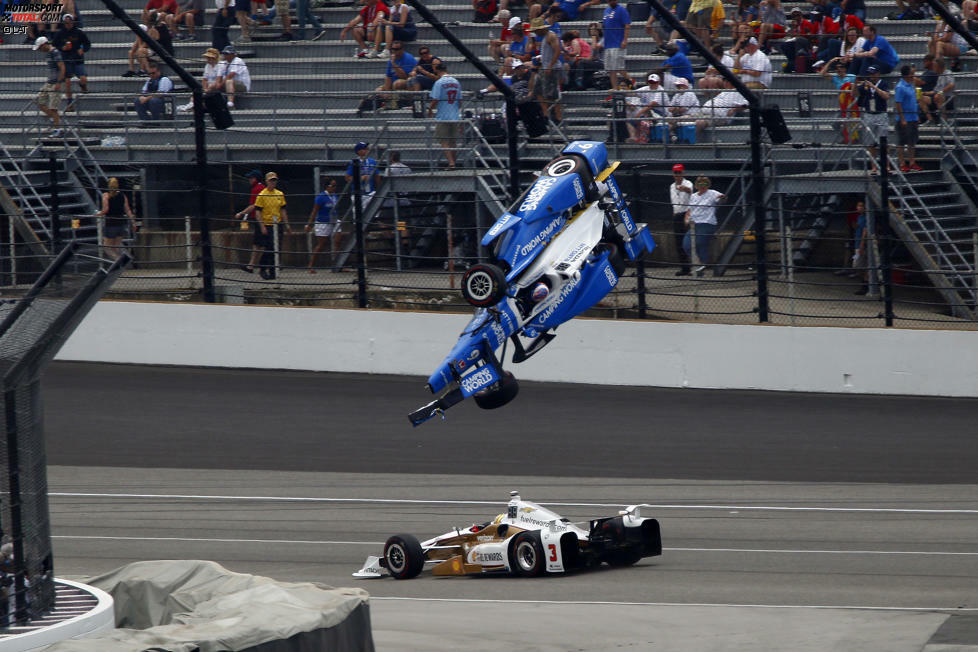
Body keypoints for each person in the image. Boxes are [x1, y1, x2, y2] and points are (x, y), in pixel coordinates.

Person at [251, 172, 291, 280]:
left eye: (274, 180)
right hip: (267, 224)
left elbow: (283, 210)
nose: (273, 182)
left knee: (276, 248)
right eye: (271, 180)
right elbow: (258, 211)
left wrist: (287, 225)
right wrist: (262, 226)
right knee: (269, 247)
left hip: (277, 224)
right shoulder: (262, 195)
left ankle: (272, 270)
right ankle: (263, 267)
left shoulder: (279, 194)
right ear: (266, 181)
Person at [852, 64, 890, 174]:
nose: (871, 76)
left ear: (878, 74)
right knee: (870, 143)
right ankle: (874, 166)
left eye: (873, 74)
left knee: (883, 142)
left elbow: (886, 96)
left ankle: (886, 166)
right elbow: (854, 94)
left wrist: (874, 87)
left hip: (881, 114)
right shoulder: (865, 85)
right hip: (869, 114)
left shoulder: (883, 84)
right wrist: (855, 83)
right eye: (870, 74)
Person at [684, 175, 725, 275]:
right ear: (697, 185)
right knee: (686, 245)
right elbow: (689, 210)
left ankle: (702, 264)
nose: (702, 186)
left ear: (708, 185)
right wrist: (686, 219)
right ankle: (698, 264)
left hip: (707, 222)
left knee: (700, 242)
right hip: (694, 224)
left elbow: (721, 199)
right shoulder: (693, 196)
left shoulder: (712, 193)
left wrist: (722, 198)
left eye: (705, 184)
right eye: (700, 184)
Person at [52, 14, 90, 112]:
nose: (68, 24)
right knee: (67, 82)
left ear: (73, 22)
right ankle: (70, 104)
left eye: (69, 22)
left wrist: (83, 49)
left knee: (83, 78)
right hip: (66, 60)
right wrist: (62, 48)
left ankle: (83, 85)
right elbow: (54, 45)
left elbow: (87, 43)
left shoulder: (79, 33)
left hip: (78, 60)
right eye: (66, 23)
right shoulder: (60, 34)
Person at [95, 177, 138, 261]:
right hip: (121, 222)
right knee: (116, 247)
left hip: (111, 223)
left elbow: (105, 209)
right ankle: (118, 262)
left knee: (106, 247)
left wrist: (97, 214)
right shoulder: (122, 195)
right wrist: (133, 223)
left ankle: (119, 261)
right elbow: (128, 210)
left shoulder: (106, 195)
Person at [429, 62, 462, 169]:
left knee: (443, 140)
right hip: (455, 115)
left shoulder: (439, 82)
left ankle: (451, 163)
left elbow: (435, 99)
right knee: (453, 141)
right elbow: (460, 101)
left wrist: (430, 109)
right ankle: (454, 162)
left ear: (438, 71)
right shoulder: (456, 82)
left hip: (443, 116)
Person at [530, 17, 562, 122]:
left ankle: (558, 117)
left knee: (552, 95)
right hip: (544, 68)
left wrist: (550, 66)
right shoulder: (544, 38)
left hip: (552, 69)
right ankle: (546, 114)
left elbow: (557, 51)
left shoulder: (551, 36)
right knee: (538, 91)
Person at [306, 177, 340, 273]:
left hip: (334, 220)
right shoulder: (321, 197)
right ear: (327, 187)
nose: (334, 188)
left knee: (338, 241)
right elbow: (315, 211)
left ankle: (337, 264)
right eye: (332, 186)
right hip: (323, 222)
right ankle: (311, 265)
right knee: (321, 245)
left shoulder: (335, 196)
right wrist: (309, 224)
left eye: (335, 186)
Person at [33, 36, 65, 137]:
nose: (39, 50)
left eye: (40, 48)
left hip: (55, 83)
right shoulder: (48, 54)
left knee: (53, 108)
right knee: (39, 101)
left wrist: (59, 83)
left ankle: (58, 129)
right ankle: (54, 119)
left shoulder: (55, 53)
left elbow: (62, 67)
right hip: (49, 82)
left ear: (44, 45)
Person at [893, 64, 920, 172]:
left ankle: (912, 162)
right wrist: (902, 118)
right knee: (901, 141)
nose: (913, 75)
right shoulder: (900, 87)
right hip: (905, 119)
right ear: (907, 75)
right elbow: (898, 103)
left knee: (912, 142)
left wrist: (916, 116)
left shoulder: (911, 85)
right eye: (911, 73)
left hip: (913, 117)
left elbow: (914, 102)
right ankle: (902, 163)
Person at [178, 47, 221, 112]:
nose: (208, 59)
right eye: (207, 58)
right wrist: (204, 89)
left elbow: (218, 80)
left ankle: (192, 105)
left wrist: (209, 88)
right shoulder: (207, 66)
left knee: (211, 86)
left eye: (209, 58)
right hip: (208, 87)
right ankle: (190, 105)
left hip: (217, 86)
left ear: (214, 58)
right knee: (197, 91)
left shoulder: (220, 65)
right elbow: (204, 79)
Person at [375, 40, 417, 109]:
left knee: (397, 83)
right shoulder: (391, 60)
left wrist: (394, 64)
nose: (394, 51)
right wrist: (387, 91)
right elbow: (388, 77)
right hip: (393, 84)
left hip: (407, 83)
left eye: (397, 49)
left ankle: (394, 106)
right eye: (393, 49)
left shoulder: (408, 58)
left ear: (402, 49)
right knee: (378, 91)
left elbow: (404, 76)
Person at [669, 163, 694, 275]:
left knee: (688, 241)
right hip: (677, 213)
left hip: (686, 213)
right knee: (678, 242)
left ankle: (693, 266)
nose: (677, 175)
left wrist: (684, 189)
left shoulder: (688, 183)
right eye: (676, 173)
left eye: (679, 173)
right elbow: (673, 201)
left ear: (683, 173)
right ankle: (685, 267)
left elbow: (690, 190)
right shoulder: (671, 186)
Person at [601, 0, 630, 90]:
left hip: (617, 43)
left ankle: (631, 82)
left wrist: (624, 40)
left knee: (619, 67)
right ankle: (615, 88)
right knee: (611, 69)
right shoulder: (606, 11)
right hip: (608, 44)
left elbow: (627, 25)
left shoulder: (621, 10)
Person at [346, 141, 380, 211]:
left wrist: (378, 188)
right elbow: (347, 178)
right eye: (364, 148)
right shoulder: (354, 162)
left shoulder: (372, 161)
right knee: (359, 214)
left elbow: (377, 175)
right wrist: (360, 178)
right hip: (359, 193)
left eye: (367, 148)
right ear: (359, 151)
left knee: (374, 212)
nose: (367, 150)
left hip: (370, 192)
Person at [919, 56, 954, 123]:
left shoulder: (948, 73)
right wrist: (925, 93)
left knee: (939, 97)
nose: (934, 68)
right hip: (937, 98)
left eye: (935, 66)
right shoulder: (939, 76)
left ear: (939, 66)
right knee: (921, 98)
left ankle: (944, 122)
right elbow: (935, 91)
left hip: (948, 99)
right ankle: (930, 120)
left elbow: (951, 84)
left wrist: (940, 92)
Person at [216, 44, 250, 109]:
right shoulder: (223, 63)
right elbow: (219, 76)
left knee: (229, 81)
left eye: (227, 54)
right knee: (212, 84)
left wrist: (220, 85)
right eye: (224, 53)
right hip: (229, 85)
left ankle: (230, 104)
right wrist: (217, 84)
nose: (225, 55)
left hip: (242, 85)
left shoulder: (238, 60)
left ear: (233, 54)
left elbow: (231, 75)